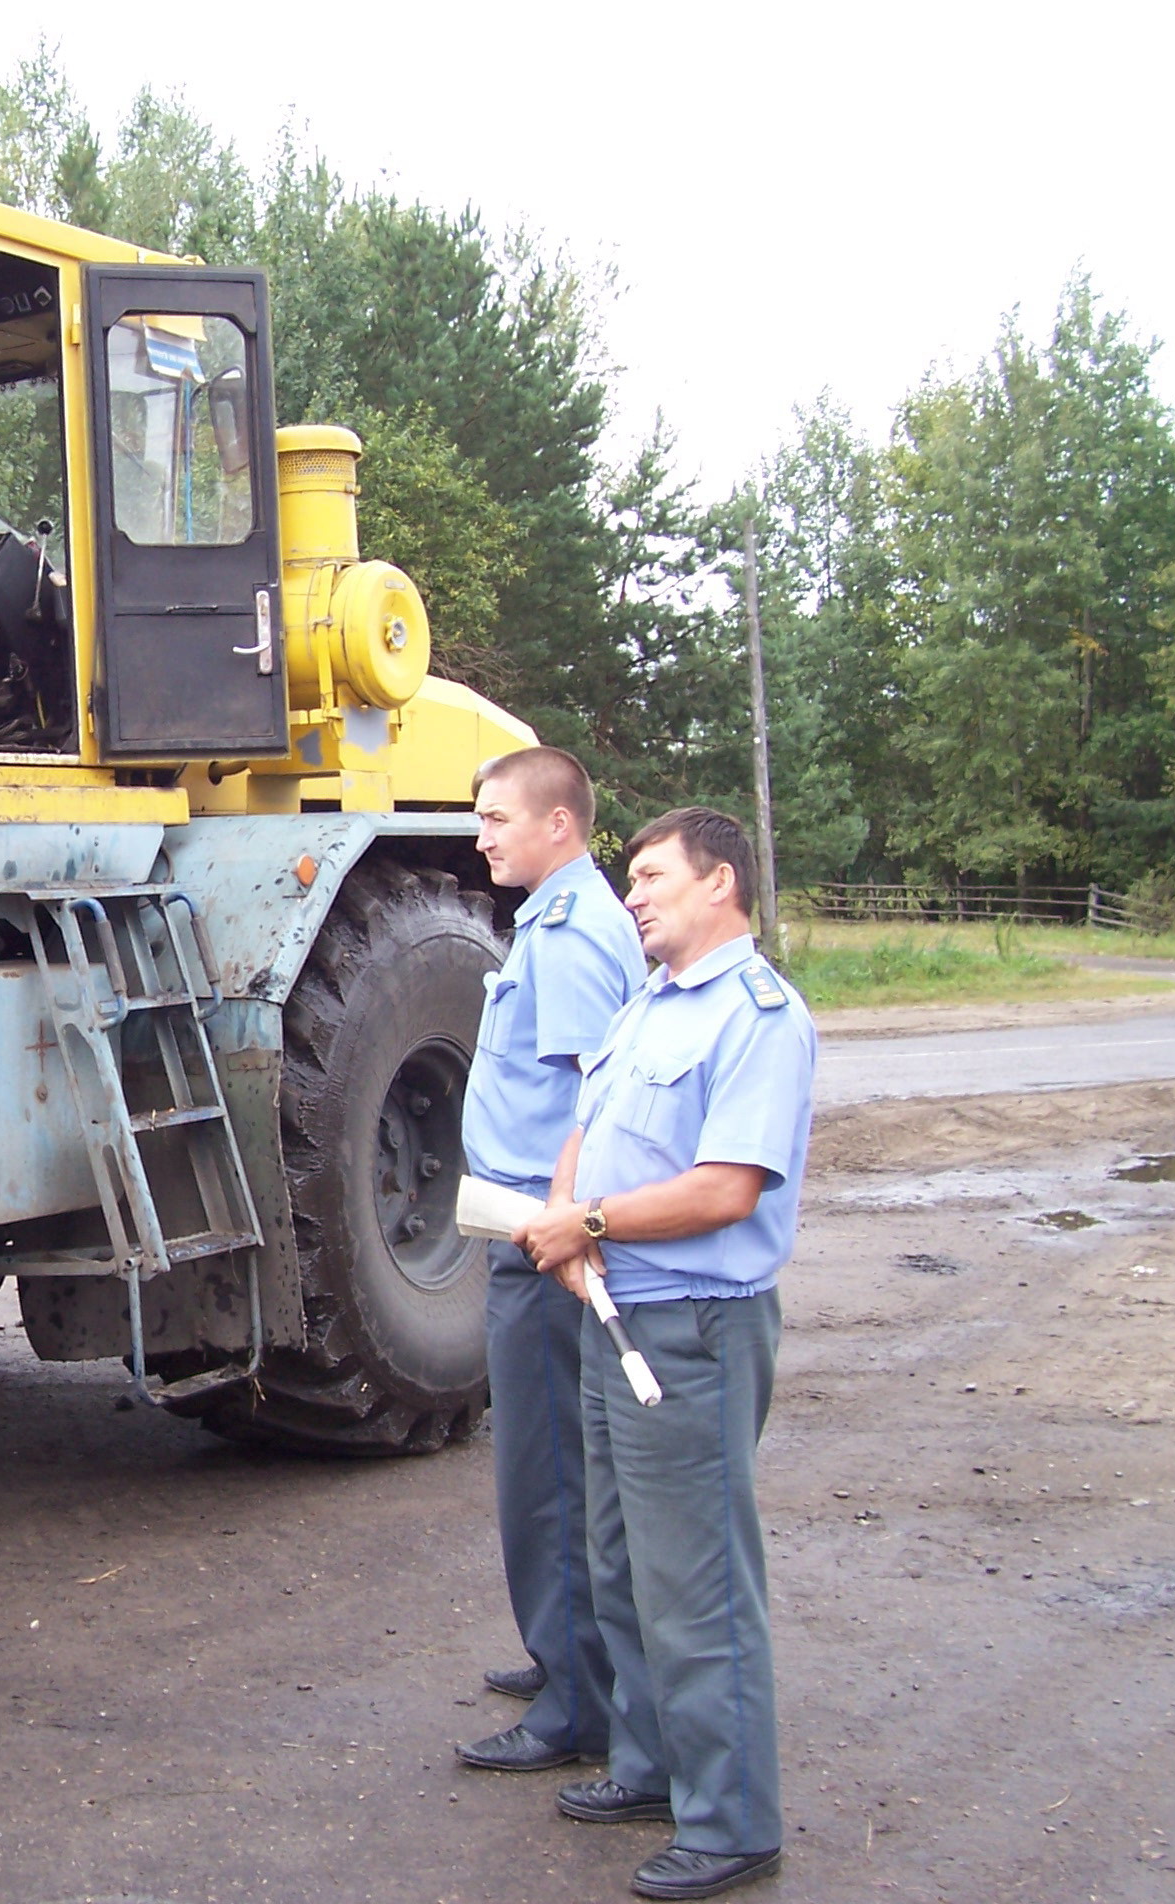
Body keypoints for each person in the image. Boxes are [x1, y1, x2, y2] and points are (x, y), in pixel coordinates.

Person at [510, 806, 816, 1903]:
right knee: (621, 1563)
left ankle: (732, 1822)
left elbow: (725, 1189)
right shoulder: (650, 1003)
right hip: (614, 1313)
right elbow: (588, 1126)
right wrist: (562, 1212)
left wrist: (585, 1228)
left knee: (698, 1586)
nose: (630, 893)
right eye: (630, 876)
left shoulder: (757, 1018)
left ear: (719, 883)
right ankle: (648, 1770)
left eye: (651, 876)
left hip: (690, 1328)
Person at [454, 748, 644, 1778]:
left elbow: (590, 1095)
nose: (481, 835)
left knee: (549, 1471)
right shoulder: (559, 920)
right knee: (554, 1460)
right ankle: (564, 1654)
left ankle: (576, 1703)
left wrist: (562, 1227)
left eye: (495, 818)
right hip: (535, 1222)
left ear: (558, 826)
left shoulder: (571, 937)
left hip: (541, 1232)